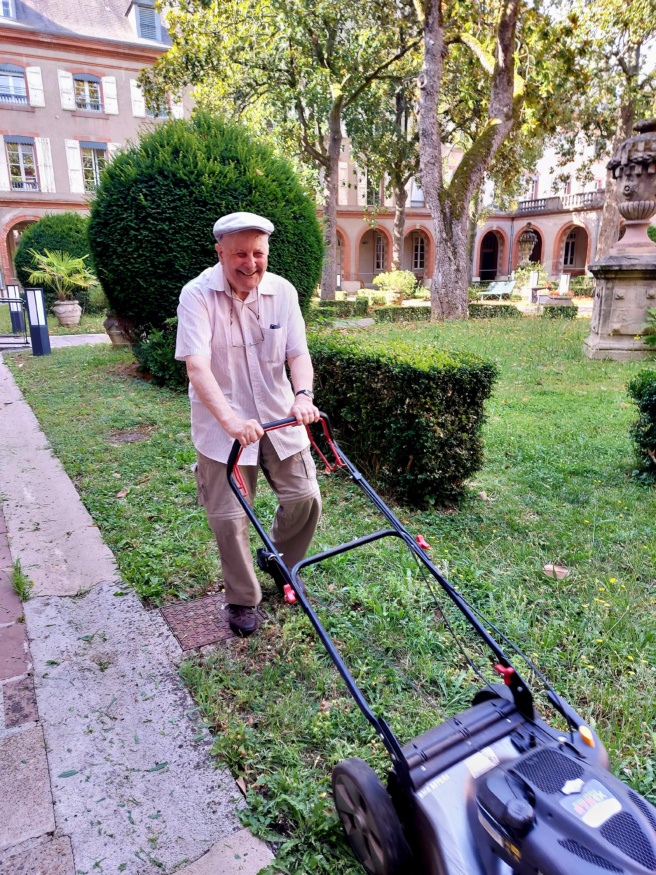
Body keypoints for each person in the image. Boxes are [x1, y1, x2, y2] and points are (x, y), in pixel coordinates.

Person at [175, 212, 322, 637]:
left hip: (280, 416)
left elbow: (298, 354)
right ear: (220, 252)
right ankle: (242, 599)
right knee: (229, 518)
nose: (250, 262)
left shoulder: (283, 292)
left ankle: (279, 559)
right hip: (224, 428)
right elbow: (197, 367)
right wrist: (231, 420)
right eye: (240, 253)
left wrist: (303, 396)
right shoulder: (197, 296)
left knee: (305, 498)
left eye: (259, 253)